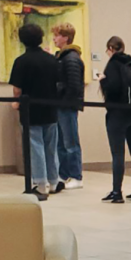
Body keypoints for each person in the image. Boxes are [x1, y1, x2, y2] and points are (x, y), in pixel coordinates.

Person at [9, 23, 62, 202]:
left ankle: (40, 183)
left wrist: (16, 103)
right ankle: (54, 181)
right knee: (51, 146)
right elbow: (58, 83)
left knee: (35, 147)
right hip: (50, 107)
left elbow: (17, 89)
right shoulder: (51, 60)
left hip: (31, 110)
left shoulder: (21, 61)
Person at [98, 36, 131, 203]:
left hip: (118, 114)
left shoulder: (113, 64)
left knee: (118, 153)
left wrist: (102, 81)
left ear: (111, 49)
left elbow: (112, 89)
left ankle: (117, 192)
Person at [53, 23, 86, 191]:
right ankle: (64, 174)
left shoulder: (71, 58)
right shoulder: (62, 57)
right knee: (61, 143)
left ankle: (76, 175)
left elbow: (73, 85)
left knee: (71, 142)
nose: (54, 38)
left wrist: (60, 94)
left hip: (67, 104)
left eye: (57, 35)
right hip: (61, 104)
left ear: (66, 37)